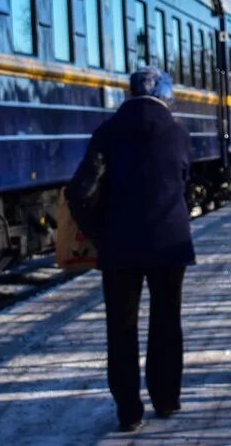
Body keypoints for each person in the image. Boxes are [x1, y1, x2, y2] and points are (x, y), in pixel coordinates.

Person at [72, 66, 194, 433]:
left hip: (120, 245)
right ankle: (167, 399)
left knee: (122, 328)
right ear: (165, 96)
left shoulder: (107, 134)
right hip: (170, 242)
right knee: (166, 321)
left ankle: (129, 412)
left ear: (129, 93)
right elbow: (183, 180)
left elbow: (80, 191)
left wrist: (97, 231)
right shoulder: (179, 134)